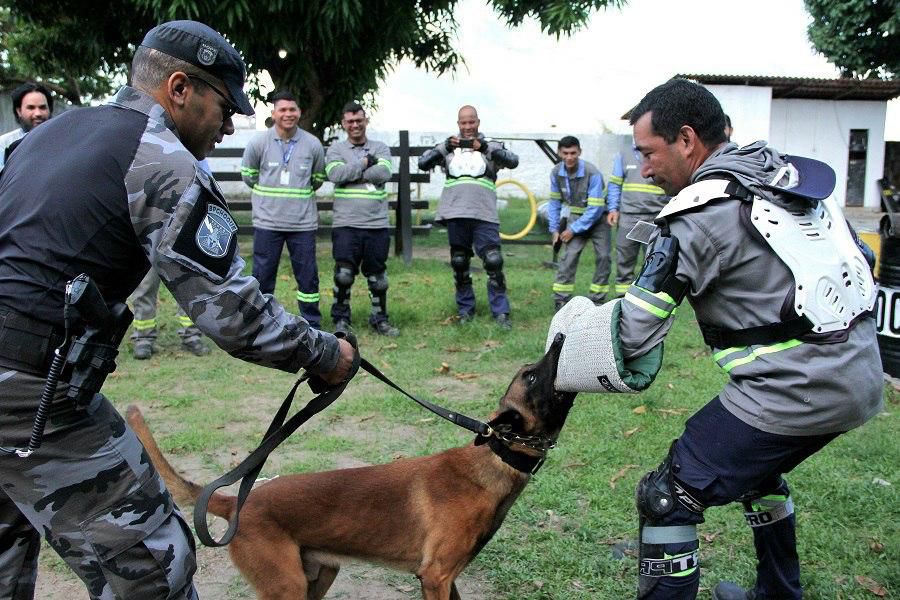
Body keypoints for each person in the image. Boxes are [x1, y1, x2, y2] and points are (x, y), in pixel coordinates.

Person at [0, 20, 355, 599]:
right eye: (224, 103)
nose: (232, 123)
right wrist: (325, 354)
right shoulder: (160, 159)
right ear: (180, 88)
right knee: (151, 565)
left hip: (26, 382)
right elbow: (234, 316)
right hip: (30, 390)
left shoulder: (49, 133)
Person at [550, 78, 881, 599]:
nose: (645, 169)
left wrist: (566, 349)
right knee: (759, 471)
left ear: (686, 140)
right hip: (859, 377)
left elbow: (633, 333)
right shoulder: (786, 180)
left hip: (792, 393)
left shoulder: (696, 216)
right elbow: (864, 261)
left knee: (666, 497)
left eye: (649, 153)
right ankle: (777, 595)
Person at [417, 105, 519, 329]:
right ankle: (465, 310)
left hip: (484, 212)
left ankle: (501, 312)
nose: (468, 127)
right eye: (463, 122)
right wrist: (444, 147)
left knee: (493, 261)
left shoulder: (490, 145)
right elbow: (423, 163)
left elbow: (513, 161)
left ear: (478, 122)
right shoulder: (448, 147)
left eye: (471, 122)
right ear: (458, 124)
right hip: (455, 212)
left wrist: (483, 147)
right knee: (460, 262)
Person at [241, 90, 326, 329]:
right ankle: (261, 323)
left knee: (308, 278)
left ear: (299, 112)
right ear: (274, 113)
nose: (288, 114)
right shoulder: (259, 142)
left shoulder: (312, 144)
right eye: (283, 110)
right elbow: (249, 175)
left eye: (292, 109)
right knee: (262, 277)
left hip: (302, 224)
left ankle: (312, 323)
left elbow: (318, 178)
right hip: (268, 223)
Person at [325, 102, 400, 336]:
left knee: (378, 278)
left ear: (366, 121)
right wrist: (366, 163)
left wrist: (352, 173)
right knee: (344, 275)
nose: (355, 125)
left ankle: (379, 319)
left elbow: (384, 173)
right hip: (346, 223)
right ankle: (341, 319)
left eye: (359, 120)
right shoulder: (336, 149)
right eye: (350, 121)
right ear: (343, 124)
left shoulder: (381, 147)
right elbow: (336, 174)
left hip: (376, 223)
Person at [547, 135, 610, 310]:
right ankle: (561, 299)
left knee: (604, 256)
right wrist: (554, 229)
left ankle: (598, 299)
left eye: (573, 153)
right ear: (559, 153)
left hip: (599, 219)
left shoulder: (592, 172)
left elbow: (596, 208)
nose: (569, 157)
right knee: (569, 256)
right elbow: (554, 203)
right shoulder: (556, 172)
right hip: (576, 218)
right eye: (565, 153)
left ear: (579, 152)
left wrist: (573, 229)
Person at [606, 145, 669, 299]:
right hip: (628, 217)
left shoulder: (662, 150)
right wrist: (613, 208)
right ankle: (622, 299)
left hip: (655, 217)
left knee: (655, 261)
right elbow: (615, 183)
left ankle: (650, 301)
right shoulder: (624, 154)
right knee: (624, 260)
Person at [129, 268, 211, 358]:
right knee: (144, 287)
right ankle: (143, 340)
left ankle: (192, 336)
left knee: (187, 284)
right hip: (147, 254)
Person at [0, 82, 52, 169]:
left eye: (42, 107)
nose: (38, 113)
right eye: (31, 108)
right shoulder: (4, 144)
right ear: (19, 111)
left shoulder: (62, 140)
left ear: (49, 109)